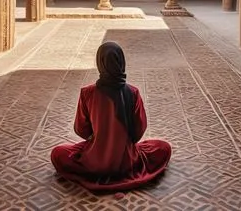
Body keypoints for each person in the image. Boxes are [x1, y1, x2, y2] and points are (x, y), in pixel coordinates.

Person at [50, 41, 171, 191]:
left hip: (93, 162)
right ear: (121, 62)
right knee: (163, 147)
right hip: (127, 162)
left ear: (100, 62)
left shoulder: (87, 93)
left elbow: (81, 129)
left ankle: (97, 166)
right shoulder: (133, 93)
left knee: (58, 153)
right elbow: (139, 131)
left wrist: (99, 139)